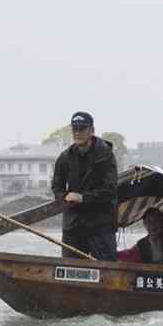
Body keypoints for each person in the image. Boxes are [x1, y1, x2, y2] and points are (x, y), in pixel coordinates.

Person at [51, 111, 118, 261]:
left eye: (82, 129)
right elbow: (57, 187)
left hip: (101, 224)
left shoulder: (105, 155)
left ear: (92, 130)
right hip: (74, 225)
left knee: (107, 271)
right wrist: (65, 199)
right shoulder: (65, 157)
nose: (78, 133)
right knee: (70, 269)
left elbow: (110, 190)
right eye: (75, 129)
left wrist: (83, 198)